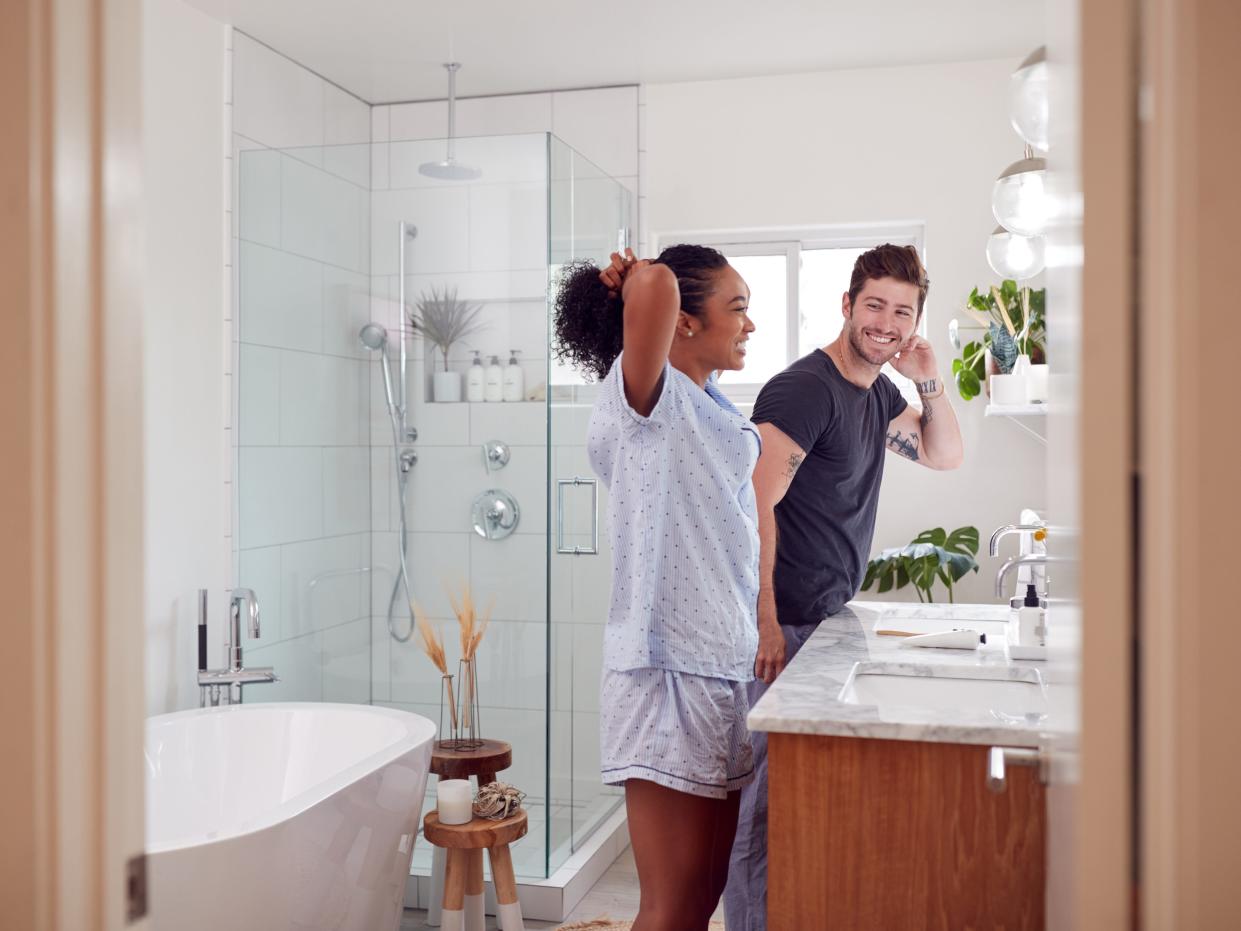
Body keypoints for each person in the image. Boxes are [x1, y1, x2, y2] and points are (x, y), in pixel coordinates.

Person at [723, 243, 965, 931]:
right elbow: (752, 508)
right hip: (782, 626)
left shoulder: (876, 391)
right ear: (846, 305)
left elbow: (944, 454)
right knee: (761, 808)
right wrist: (764, 623)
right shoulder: (806, 390)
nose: (885, 322)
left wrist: (927, 379)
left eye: (902, 311)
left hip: (822, 623)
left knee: (801, 802)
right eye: (874, 305)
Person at [553, 244, 759, 931]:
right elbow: (659, 286)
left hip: (720, 663)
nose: (749, 324)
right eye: (737, 307)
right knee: (669, 909)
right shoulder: (644, 394)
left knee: (701, 902)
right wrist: (639, 273)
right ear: (686, 323)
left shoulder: (710, 402)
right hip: (665, 669)